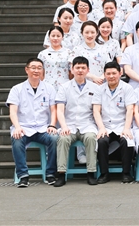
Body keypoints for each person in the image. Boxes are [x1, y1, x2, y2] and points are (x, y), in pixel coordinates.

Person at [8, 58, 58, 187]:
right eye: (33, 68)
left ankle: (51, 173)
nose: (36, 70)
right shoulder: (17, 89)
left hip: (42, 128)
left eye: (39, 68)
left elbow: (54, 109)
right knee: (17, 139)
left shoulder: (49, 88)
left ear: (43, 70)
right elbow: (13, 111)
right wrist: (17, 127)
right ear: (27, 69)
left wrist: (52, 125)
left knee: (54, 138)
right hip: (24, 127)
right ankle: (23, 175)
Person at [53, 56, 100, 187]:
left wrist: (100, 127)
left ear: (88, 70)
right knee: (63, 139)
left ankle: (91, 173)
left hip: (87, 124)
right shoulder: (64, 87)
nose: (80, 70)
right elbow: (60, 110)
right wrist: (64, 126)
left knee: (91, 138)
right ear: (72, 69)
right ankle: (61, 174)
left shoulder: (94, 88)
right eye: (77, 67)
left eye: (83, 68)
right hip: (69, 124)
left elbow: (96, 111)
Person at [92, 62, 136, 184]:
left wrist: (126, 128)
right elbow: (96, 110)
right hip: (105, 125)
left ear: (120, 73)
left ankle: (126, 173)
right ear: (104, 75)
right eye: (108, 74)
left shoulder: (127, 88)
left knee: (126, 140)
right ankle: (104, 173)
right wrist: (101, 128)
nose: (111, 76)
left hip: (122, 124)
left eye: (114, 73)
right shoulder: (99, 89)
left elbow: (130, 110)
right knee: (102, 141)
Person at [38, 26, 72, 90]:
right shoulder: (42, 54)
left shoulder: (69, 53)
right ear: (49, 37)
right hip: (47, 86)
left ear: (62, 37)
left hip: (65, 86)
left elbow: (71, 72)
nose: (55, 38)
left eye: (58, 36)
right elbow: (41, 72)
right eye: (53, 36)